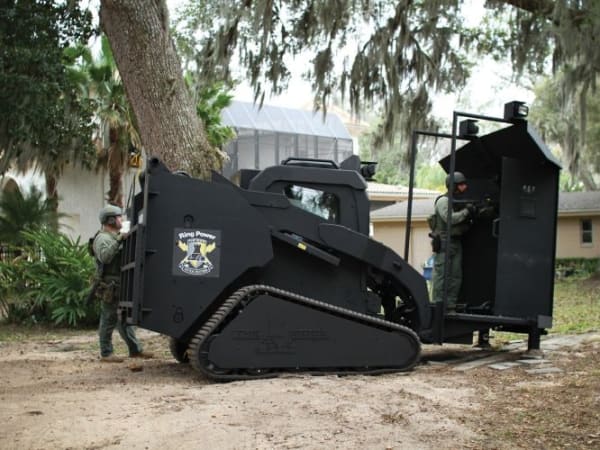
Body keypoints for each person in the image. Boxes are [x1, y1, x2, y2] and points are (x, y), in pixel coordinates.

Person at [92, 204, 152, 362]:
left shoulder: (114, 237)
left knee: (125, 319)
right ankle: (106, 353)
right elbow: (105, 256)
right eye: (119, 217)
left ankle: (135, 350)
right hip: (110, 285)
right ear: (111, 220)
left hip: (121, 283)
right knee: (108, 319)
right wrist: (120, 238)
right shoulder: (102, 238)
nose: (122, 219)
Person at [430, 172, 474, 312]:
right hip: (444, 243)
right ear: (453, 186)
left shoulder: (457, 202)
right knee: (442, 276)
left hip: (455, 242)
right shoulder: (443, 201)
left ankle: (450, 306)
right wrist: (466, 211)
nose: (464, 187)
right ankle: (437, 307)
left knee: (455, 277)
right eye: (460, 185)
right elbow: (450, 219)